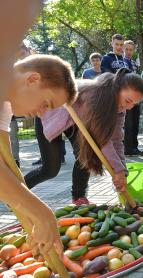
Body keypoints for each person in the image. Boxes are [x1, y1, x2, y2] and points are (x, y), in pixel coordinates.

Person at [24, 69, 143, 205]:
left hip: (76, 121)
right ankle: (18, 192)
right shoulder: (95, 95)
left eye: (133, 104)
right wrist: (117, 170)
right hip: (51, 115)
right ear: (117, 88)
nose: (128, 107)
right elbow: (102, 139)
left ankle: (78, 197)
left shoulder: (120, 108)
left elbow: (116, 140)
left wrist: (122, 170)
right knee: (50, 169)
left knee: (85, 157)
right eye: (128, 101)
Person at [0, 54, 76, 258]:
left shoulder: (4, 105)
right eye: (46, 103)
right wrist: (42, 215)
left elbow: (6, 167)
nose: (42, 114)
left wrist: (30, 215)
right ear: (32, 79)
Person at [122, 40, 141, 156]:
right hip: (125, 98)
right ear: (123, 49)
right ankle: (127, 148)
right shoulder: (120, 62)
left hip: (135, 97)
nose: (129, 52)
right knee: (127, 123)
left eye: (131, 49)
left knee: (135, 122)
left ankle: (135, 146)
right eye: (127, 49)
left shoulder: (134, 63)